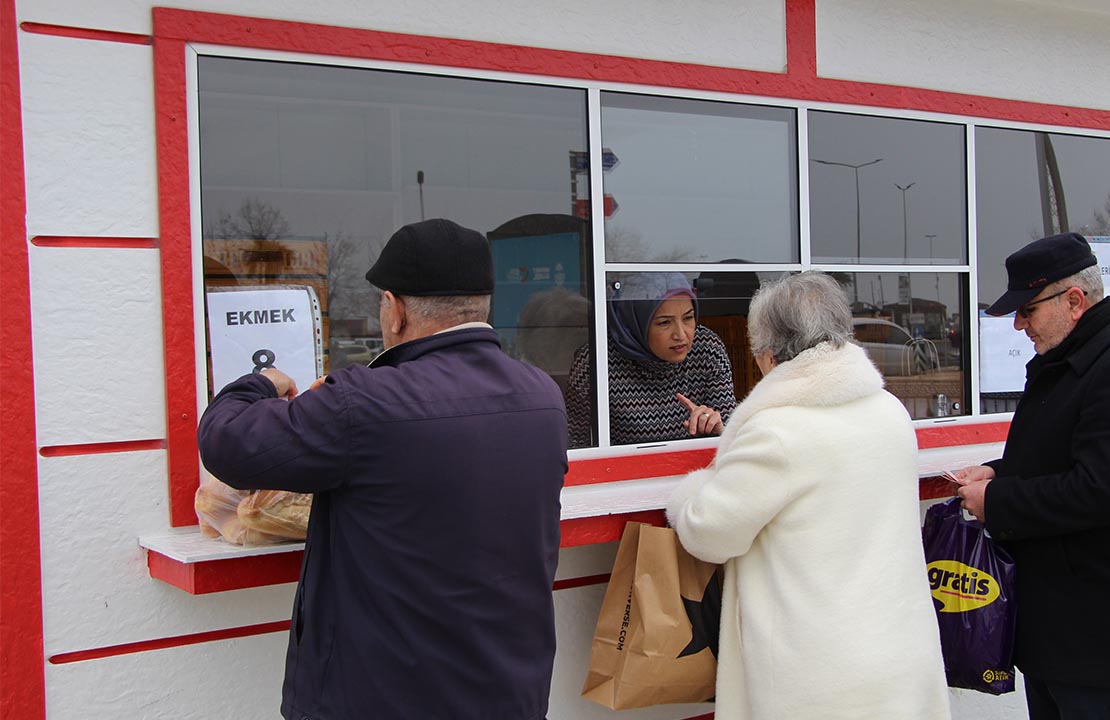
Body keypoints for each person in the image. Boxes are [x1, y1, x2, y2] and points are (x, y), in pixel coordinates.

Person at [197, 219, 567, 720]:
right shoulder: (542, 395)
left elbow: (226, 443)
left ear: (393, 310)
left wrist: (259, 384)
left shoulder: (364, 403)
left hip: (385, 698)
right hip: (509, 691)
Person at [665, 271, 951, 720]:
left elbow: (707, 532)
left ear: (766, 350)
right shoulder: (889, 411)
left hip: (818, 676)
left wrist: (693, 488)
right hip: (899, 652)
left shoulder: (777, 431)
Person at [952, 232, 1110, 720]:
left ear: (1074, 300)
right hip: (1060, 630)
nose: (1019, 325)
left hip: (1097, 634)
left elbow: (1098, 492)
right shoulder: (1074, 363)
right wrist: (997, 471)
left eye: (1027, 310)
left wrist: (998, 502)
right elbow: (1060, 456)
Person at [565, 272, 735, 447]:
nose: (681, 334)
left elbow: (733, 434)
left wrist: (717, 429)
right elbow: (575, 441)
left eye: (688, 318)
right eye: (664, 323)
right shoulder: (595, 362)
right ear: (635, 322)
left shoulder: (707, 348)